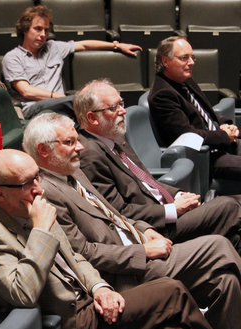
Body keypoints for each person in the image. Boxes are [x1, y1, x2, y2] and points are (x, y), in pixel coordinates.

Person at [0, 148, 241, 329]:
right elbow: (22, 293)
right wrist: (40, 231)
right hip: (68, 326)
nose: (38, 189)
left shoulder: (32, 206)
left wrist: (100, 288)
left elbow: (75, 258)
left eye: (37, 177)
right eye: (25, 184)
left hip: (92, 303)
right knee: (171, 291)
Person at [22, 111, 241, 329]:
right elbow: (81, 252)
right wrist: (142, 251)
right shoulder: (46, 192)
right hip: (125, 272)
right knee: (218, 245)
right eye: (70, 142)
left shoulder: (72, 172)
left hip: (139, 244)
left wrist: (144, 229)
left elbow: (114, 213)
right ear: (43, 150)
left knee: (225, 282)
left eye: (77, 140)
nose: (80, 147)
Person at [76, 79, 241, 249]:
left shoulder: (115, 137)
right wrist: (172, 210)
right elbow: (117, 212)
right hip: (153, 229)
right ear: (92, 118)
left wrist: (177, 195)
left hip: (164, 209)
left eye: (121, 104)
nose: (123, 111)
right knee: (229, 207)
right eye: (113, 108)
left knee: (233, 233)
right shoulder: (90, 155)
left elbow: (147, 181)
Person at [2, 5, 141, 120]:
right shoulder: (13, 57)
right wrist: (60, 97)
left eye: (46, 30)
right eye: (38, 29)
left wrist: (116, 46)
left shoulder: (53, 48)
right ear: (25, 29)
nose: (43, 34)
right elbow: (26, 91)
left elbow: (84, 45)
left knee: (87, 110)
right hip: (34, 109)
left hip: (62, 106)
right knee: (85, 103)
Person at [148, 36, 241, 179]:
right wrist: (224, 136)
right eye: (184, 58)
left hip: (220, 144)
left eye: (192, 57)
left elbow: (206, 114)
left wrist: (225, 125)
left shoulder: (185, 80)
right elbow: (187, 136)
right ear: (165, 61)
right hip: (206, 156)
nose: (191, 62)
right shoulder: (162, 94)